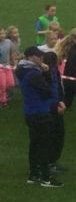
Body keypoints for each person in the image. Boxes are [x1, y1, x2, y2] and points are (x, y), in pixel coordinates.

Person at [15, 46, 62, 186]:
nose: (41, 58)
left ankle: (33, 174)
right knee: (44, 145)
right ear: (30, 57)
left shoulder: (22, 70)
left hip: (30, 111)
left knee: (34, 143)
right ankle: (46, 178)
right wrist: (46, 74)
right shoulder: (34, 74)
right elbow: (48, 91)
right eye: (38, 56)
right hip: (41, 112)